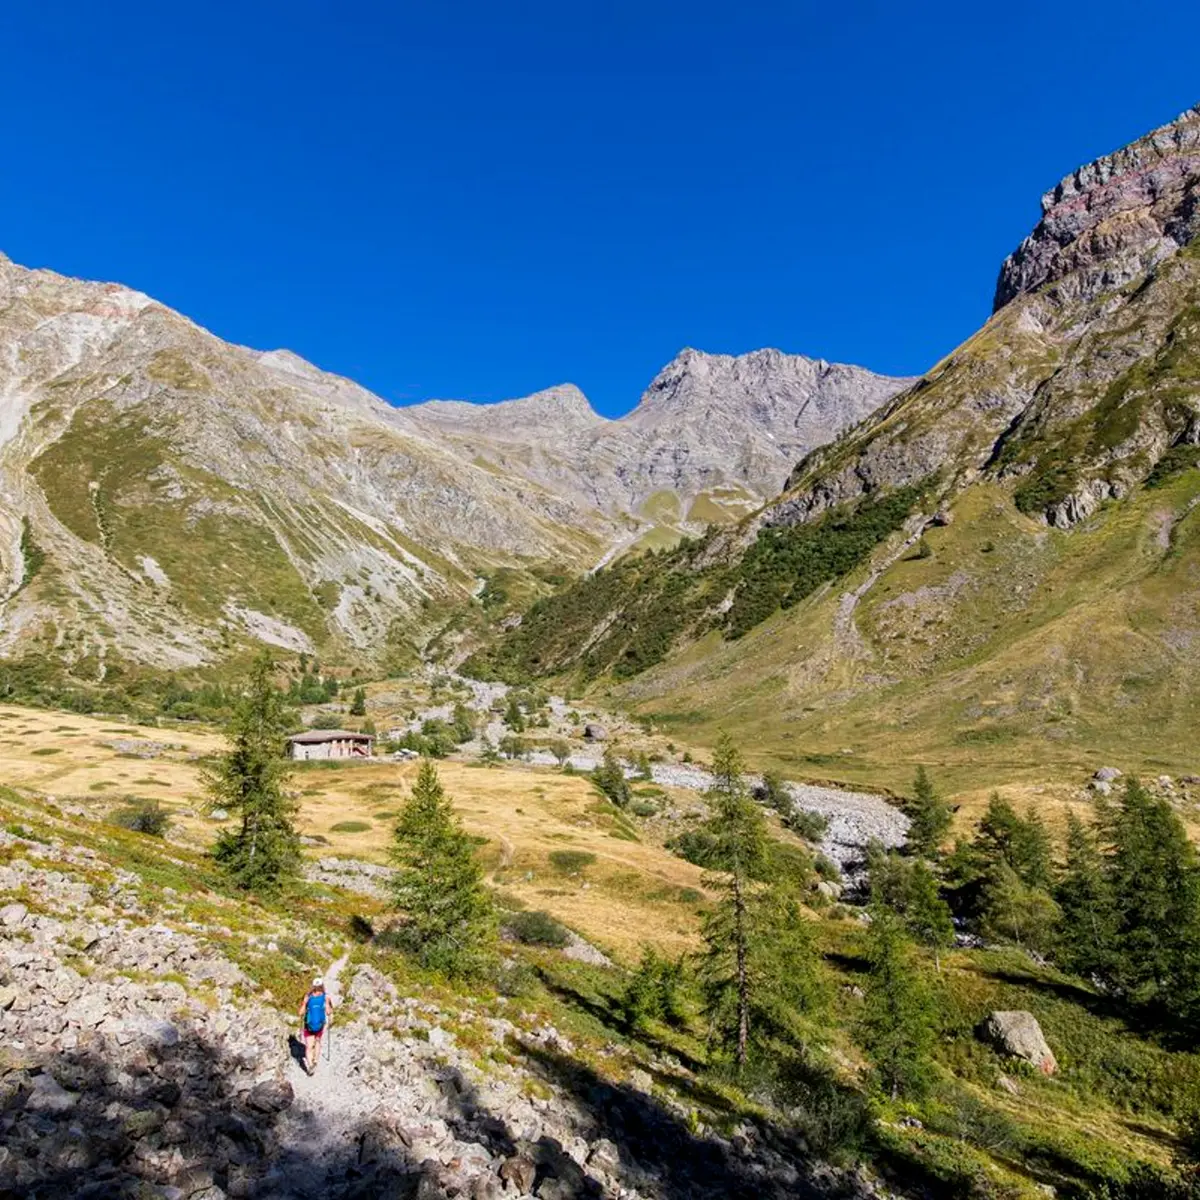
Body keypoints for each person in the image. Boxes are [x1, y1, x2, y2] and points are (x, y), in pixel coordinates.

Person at [298, 976, 332, 1075]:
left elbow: (329, 1012)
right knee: (314, 1043)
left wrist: (305, 1003)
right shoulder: (323, 996)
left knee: (312, 1045)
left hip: (312, 1024)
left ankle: (313, 1063)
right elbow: (329, 1013)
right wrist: (305, 1003)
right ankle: (312, 1064)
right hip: (316, 1024)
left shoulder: (310, 996)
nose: (317, 988)